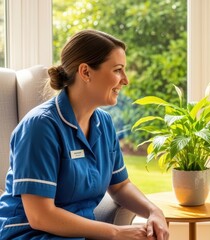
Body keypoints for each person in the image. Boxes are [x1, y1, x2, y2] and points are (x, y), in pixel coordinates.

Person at [0, 29, 169, 240]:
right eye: (117, 70)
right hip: (30, 234)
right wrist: (116, 232)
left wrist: (154, 211)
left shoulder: (104, 123)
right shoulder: (40, 127)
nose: (125, 80)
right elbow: (40, 216)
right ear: (86, 72)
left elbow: (120, 185)